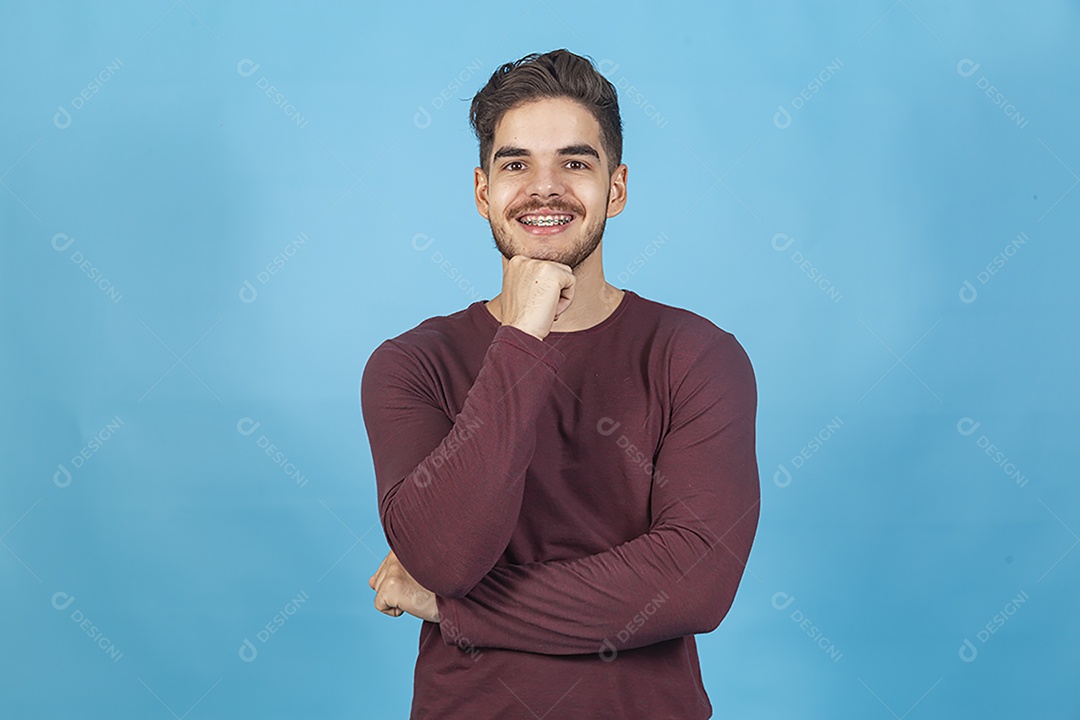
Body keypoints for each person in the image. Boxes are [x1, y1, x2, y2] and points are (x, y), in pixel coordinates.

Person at [361, 48, 760, 719]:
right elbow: (445, 556)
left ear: (618, 188)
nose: (544, 187)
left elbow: (695, 585)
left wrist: (457, 609)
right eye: (517, 164)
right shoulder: (412, 365)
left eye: (575, 162)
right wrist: (521, 338)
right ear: (484, 190)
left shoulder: (696, 356)